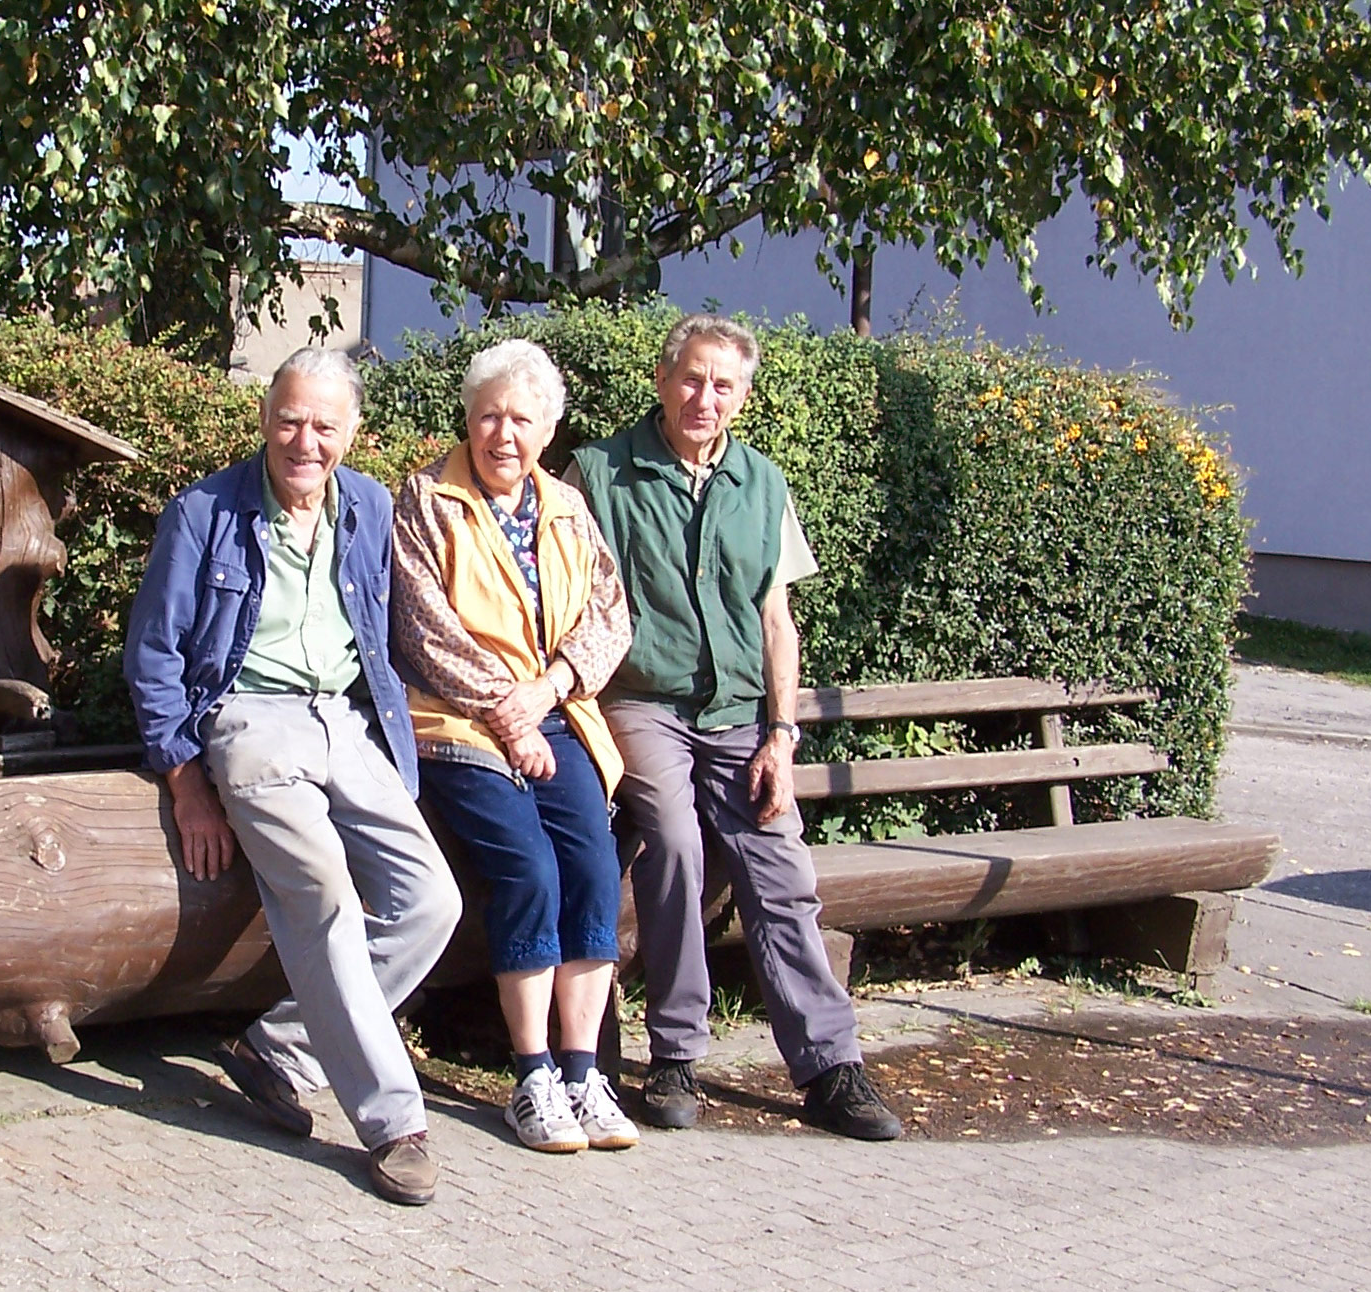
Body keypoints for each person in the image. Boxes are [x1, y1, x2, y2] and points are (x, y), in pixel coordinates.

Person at [123, 346, 462, 1204]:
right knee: (325, 898)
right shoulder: (204, 513)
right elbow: (154, 656)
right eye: (290, 421)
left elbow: (394, 635)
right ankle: (395, 1124)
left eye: (324, 426)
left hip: (346, 719)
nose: (305, 441)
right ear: (265, 419)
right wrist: (186, 781)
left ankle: (276, 1049)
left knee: (432, 901)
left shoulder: (370, 507)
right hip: (248, 719)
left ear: (352, 431)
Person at [569, 313, 902, 1141]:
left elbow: (775, 619)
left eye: (723, 385)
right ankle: (676, 1052)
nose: (704, 397)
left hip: (740, 713)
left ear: (743, 397)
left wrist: (781, 735)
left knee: (778, 857)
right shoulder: (599, 472)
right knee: (675, 841)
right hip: (642, 701)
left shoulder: (763, 483)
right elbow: (563, 597)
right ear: (661, 379)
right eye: (691, 377)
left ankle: (831, 1065)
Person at [389, 340, 639, 1153]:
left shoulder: (567, 507)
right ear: (468, 418)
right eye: (489, 415)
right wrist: (509, 712)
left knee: (594, 866)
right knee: (529, 869)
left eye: (522, 419)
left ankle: (582, 1071)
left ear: (548, 429)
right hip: (460, 724)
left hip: (557, 714)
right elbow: (422, 628)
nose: (504, 433)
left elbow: (610, 616)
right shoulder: (426, 499)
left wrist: (550, 688)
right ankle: (531, 1075)